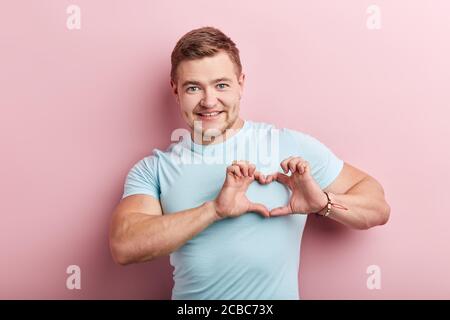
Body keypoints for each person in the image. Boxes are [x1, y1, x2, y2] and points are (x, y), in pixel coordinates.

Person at [109, 26, 390, 299]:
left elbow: (378, 208)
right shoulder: (154, 169)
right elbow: (125, 245)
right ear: (176, 90)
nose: (209, 101)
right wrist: (214, 211)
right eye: (194, 87)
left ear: (241, 84)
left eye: (221, 85)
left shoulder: (287, 146)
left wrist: (322, 203)